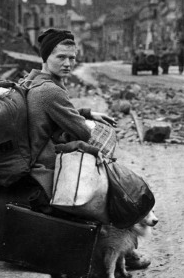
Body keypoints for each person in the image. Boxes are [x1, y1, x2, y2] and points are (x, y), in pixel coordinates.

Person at [23, 28, 115, 213]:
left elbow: (54, 116)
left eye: (72, 58)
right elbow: (83, 132)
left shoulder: (33, 81)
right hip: (43, 172)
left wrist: (88, 113)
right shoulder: (50, 91)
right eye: (61, 57)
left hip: (33, 165)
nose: (68, 64)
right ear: (46, 57)